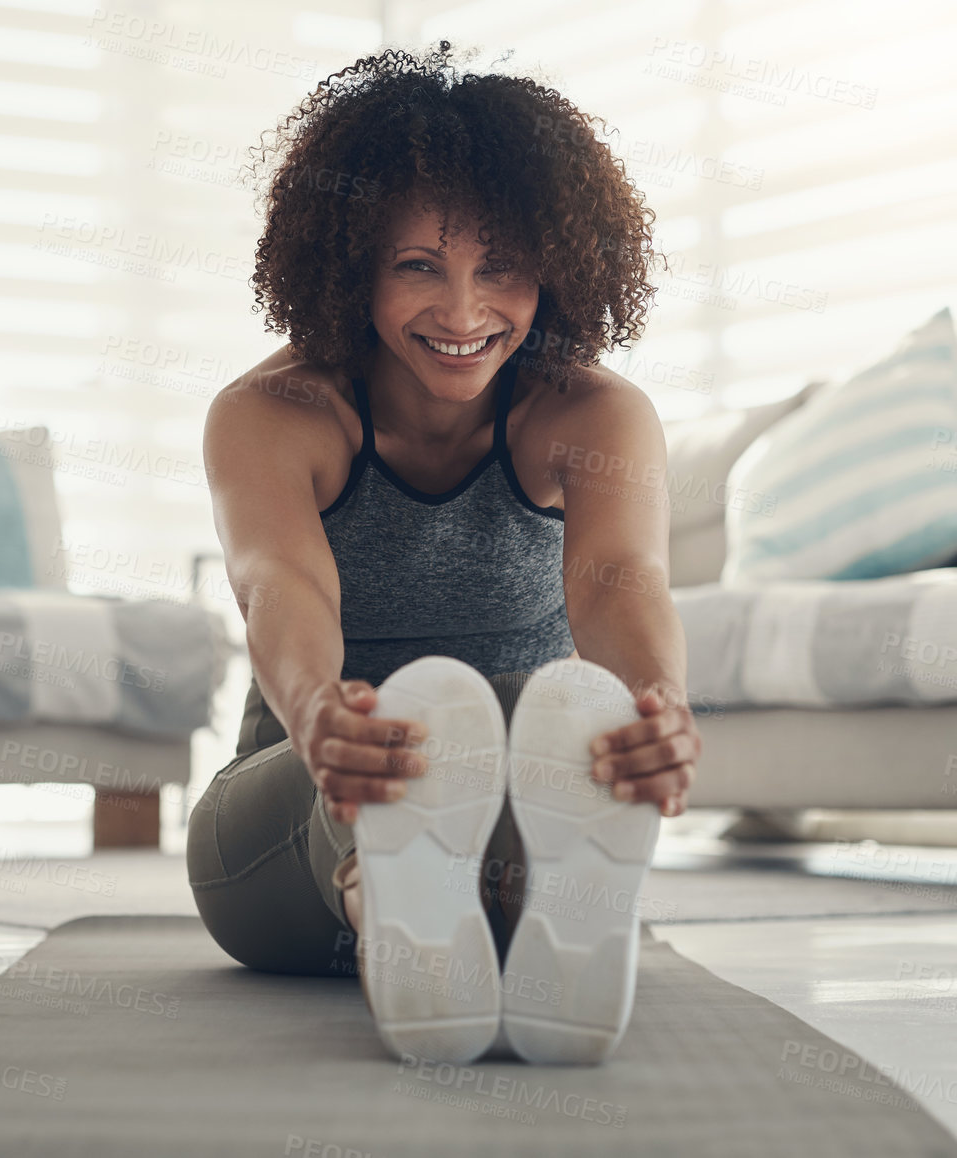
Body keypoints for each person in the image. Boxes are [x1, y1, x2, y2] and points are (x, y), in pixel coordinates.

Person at [187, 42, 700, 1066]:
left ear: (556, 264)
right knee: (401, 738)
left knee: (541, 719)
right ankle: (380, 883)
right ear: (350, 268)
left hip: (515, 781)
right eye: (416, 266)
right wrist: (324, 717)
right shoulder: (272, 415)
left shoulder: (593, 413)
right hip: (286, 818)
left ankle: (490, 910)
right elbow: (278, 585)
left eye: (498, 267)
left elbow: (617, 581)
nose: (463, 314)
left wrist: (653, 707)